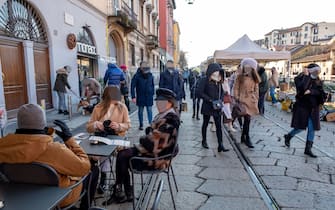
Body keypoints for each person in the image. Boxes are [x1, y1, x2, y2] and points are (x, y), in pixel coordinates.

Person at [0, 104, 91, 208]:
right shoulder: (53, 149)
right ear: (43, 123)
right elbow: (84, 167)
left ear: (19, 123)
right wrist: (69, 139)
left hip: (19, 195)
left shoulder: (2, 146)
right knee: (91, 171)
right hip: (59, 198)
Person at [103, 88, 180, 205]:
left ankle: (121, 192)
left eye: (161, 102)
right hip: (158, 153)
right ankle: (125, 192)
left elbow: (151, 144)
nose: (158, 104)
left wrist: (144, 137)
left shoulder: (170, 119)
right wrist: (149, 134)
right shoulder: (165, 115)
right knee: (122, 155)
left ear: (170, 103)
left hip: (157, 159)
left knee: (122, 156)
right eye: (157, 101)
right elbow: (151, 135)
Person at [86, 86, 131, 193]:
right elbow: (88, 127)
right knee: (98, 153)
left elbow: (128, 125)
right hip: (102, 137)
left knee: (109, 153)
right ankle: (102, 178)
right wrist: (96, 125)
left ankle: (107, 179)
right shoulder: (98, 108)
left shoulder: (122, 107)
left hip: (117, 138)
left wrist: (119, 126)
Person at [283, 64, 326, 158]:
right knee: (300, 127)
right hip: (302, 107)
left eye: (318, 71)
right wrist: (306, 77)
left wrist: (312, 92)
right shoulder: (299, 78)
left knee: (312, 128)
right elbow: (301, 89)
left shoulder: (318, 80)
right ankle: (289, 136)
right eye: (315, 71)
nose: (317, 73)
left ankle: (308, 149)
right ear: (310, 71)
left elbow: (321, 93)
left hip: (313, 108)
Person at [198, 63, 230, 152]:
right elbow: (200, 92)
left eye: (218, 71)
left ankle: (220, 144)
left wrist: (221, 98)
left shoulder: (219, 80)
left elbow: (222, 92)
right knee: (205, 123)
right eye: (215, 71)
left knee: (219, 125)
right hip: (208, 106)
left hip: (217, 106)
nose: (217, 73)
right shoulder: (204, 80)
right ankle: (204, 141)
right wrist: (210, 100)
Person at [233, 58, 261, 148]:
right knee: (245, 117)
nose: (247, 68)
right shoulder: (240, 77)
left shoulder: (255, 77)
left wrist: (256, 97)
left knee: (248, 120)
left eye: (249, 67)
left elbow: (257, 88)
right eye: (246, 66)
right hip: (242, 99)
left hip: (251, 100)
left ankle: (245, 137)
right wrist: (236, 97)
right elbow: (235, 87)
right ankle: (245, 137)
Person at [131, 61, 155, 130]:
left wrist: (152, 92)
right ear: (141, 67)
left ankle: (150, 124)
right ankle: (141, 124)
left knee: (149, 110)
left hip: (149, 96)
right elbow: (132, 86)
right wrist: (133, 96)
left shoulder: (150, 75)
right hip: (141, 96)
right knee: (140, 111)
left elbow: (152, 85)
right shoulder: (137, 75)